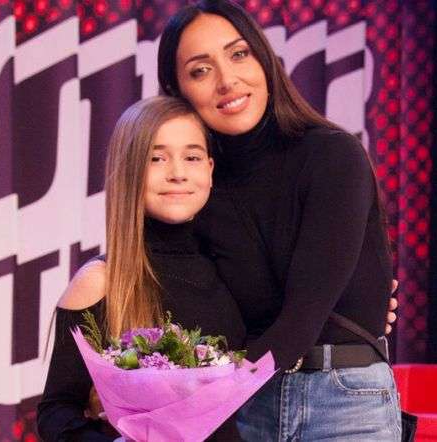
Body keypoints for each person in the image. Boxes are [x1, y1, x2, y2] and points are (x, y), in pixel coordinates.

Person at [157, 1, 402, 439]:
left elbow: (302, 319)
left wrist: (204, 398)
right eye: (200, 70)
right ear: (178, 91)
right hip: (248, 405)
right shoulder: (197, 184)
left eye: (239, 54)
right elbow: (193, 304)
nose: (227, 80)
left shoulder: (332, 154)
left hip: (343, 402)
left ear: (264, 60)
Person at [36, 96, 246, 441]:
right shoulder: (102, 280)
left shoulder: (233, 270)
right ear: (128, 170)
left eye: (191, 157)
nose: (177, 173)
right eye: (156, 158)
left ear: (209, 169)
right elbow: (56, 412)